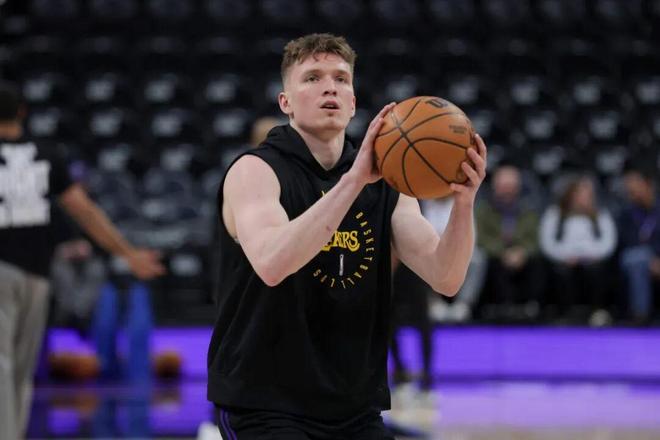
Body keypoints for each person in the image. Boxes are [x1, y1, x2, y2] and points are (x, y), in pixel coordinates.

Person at [208, 33, 487, 439]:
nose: (330, 88)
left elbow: (446, 276)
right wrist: (353, 182)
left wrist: (464, 202)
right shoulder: (255, 171)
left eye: (341, 79)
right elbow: (272, 263)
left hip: (354, 407)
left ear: (353, 102)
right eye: (312, 78)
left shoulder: (388, 183)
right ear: (286, 102)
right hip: (265, 405)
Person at [0, 80, 165, 440]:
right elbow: (86, 212)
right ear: (22, 112)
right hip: (37, 275)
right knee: (20, 370)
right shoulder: (45, 153)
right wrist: (128, 253)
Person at [539, 175, 617, 325]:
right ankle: (565, 313)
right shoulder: (555, 214)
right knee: (561, 272)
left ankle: (597, 312)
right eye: (581, 195)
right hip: (564, 258)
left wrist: (592, 255)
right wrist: (564, 256)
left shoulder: (600, 214)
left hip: (593, 258)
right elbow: (547, 243)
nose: (585, 199)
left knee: (597, 271)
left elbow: (608, 242)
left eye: (588, 196)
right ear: (571, 195)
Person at [476, 163, 544, 321]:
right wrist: (502, 253)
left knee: (538, 262)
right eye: (504, 186)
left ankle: (531, 306)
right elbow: (481, 238)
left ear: (518, 188)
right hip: (495, 254)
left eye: (511, 186)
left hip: (522, 254)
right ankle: (501, 307)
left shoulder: (528, 210)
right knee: (488, 263)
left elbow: (534, 239)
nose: (507, 190)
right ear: (495, 187)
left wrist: (522, 252)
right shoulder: (483, 210)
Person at [618, 162, 660, 324]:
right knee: (637, 259)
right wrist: (652, 259)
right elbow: (628, 241)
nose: (631, 192)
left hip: (656, 256)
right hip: (634, 256)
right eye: (629, 190)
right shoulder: (626, 212)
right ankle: (641, 315)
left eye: (635, 187)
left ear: (648, 185)